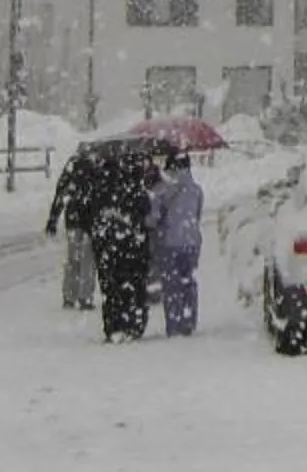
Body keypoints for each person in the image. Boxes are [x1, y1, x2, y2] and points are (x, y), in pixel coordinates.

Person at [87, 144, 158, 343]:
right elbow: (145, 212)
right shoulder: (136, 190)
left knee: (111, 287)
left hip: (108, 246)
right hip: (133, 246)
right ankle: (133, 324)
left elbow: (92, 212)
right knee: (134, 286)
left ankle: (113, 324)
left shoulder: (101, 188)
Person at [148, 148, 203, 337]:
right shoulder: (196, 190)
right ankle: (189, 320)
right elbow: (197, 215)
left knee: (171, 285)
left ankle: (175, 322)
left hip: (169, 242)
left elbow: (153, 219)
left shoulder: (161, 191)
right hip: (192, 241)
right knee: (188, 281)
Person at [44, 146, 100, 310]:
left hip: (74, 219)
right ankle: (85, 297)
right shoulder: (97, 168)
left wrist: (53, 218)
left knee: (73, 259)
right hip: (90, 220)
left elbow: (60, 194)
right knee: (88, 261)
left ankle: (70, 295)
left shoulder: (72, 166)